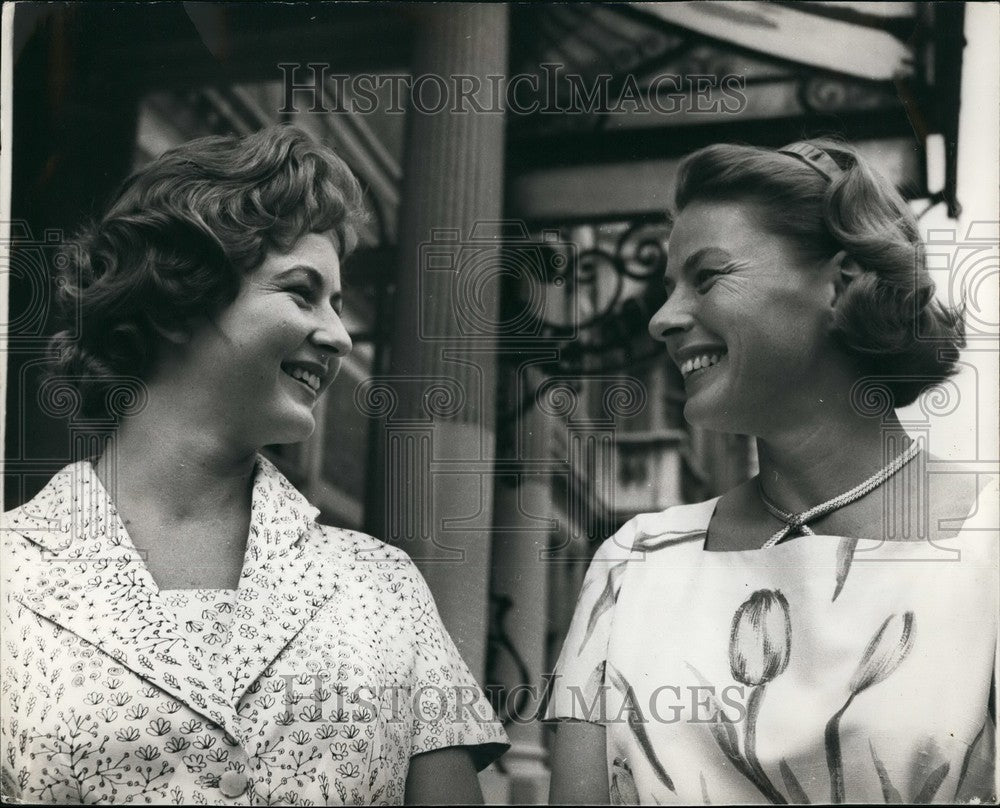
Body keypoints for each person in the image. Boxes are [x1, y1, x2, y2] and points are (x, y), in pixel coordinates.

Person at [1, 125, 507, 805]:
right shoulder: (12, 575)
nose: (338, 333)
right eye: (301, 292)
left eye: (336, 300)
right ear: (175, 300)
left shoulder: (384, 590)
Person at [546, 139, 996, 804]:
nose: (663, 318)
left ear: (840, 285)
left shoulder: (989, 542)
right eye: (670, 286)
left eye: (707, 277)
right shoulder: (633, 567)